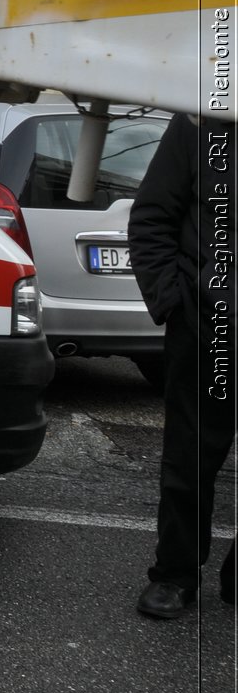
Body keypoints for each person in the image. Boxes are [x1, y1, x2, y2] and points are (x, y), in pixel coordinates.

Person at [128, 111, 236, 619]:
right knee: (190, 460)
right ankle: (174, 575)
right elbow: (152, 216)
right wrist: (174, 303)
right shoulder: (201, 118)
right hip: (207, 327)